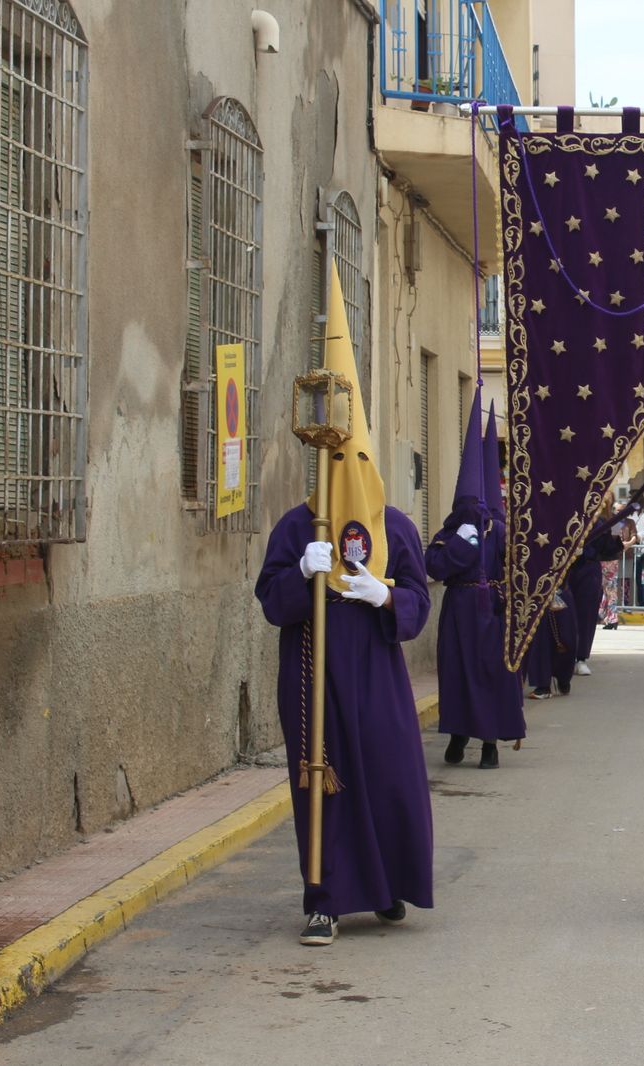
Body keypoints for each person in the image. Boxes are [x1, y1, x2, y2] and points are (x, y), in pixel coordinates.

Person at [254, 266, 432, 946]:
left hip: (378, 677)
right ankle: (324, 896)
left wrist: (383, 593)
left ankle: (387, 888)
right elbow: (273, 603)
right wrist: (303, 575)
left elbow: (416, 598)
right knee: (322, 780)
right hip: (314, 672)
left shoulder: (396, 528)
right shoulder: (297, 529)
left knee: (385, 777)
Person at [427, 399, 525, 771]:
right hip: (458, 612)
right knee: (456, 673)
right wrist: (461, 542)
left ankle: (489, 743)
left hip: (492, 613)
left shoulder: (500, 532)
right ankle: (457, 734)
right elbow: (433, 566)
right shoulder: (450, 532)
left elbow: (518, 568)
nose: (474, 510)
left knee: (490, 675)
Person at [568, 501, 628, 676]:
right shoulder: (569, 515)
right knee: (564, 614)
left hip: (588, 569)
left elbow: (609, 550)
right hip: (566, 569)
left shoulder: (600, 522)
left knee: (586, 614)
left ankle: (581, 658)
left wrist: (616, 535)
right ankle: (564, 657)